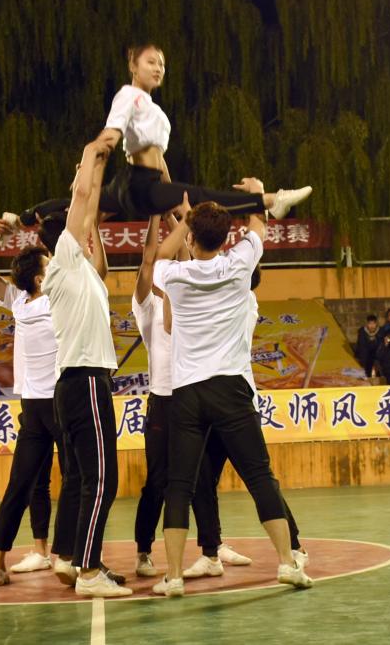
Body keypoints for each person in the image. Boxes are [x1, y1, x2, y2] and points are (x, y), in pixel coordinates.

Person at [152, 185, 312, 597]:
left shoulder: (174, 275)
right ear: (226, 239)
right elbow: (258, 225)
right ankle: (287, 562)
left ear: (191, 238)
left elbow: (160, 255)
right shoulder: (240, 264)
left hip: (187, 392)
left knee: (179, 484)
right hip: (231, 388)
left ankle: (173, 577)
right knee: (259, 476)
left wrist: (184, 217)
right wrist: (258, 195)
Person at [129, 212, 256, 581]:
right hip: (163, 401)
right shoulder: (148, 305)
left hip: (193, 394)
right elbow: (150, 261)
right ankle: (143, 549)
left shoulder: (188, 293)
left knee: (201, 478)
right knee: (158, 480)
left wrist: (185, 219)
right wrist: (164, 216)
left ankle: (212, 547)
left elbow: (187, 260)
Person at [72, 44, 312, 223]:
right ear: (133, 67)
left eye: (161, 64)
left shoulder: (155, 111)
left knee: (69, 208)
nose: (158, 68)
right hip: (136, 184)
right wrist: (88, 164)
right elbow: (109, 136)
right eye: (151, 62)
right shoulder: (128, 95)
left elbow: (159, 160)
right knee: (200, 195)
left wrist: (171, 196)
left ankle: (43, 215)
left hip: (144, 184)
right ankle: (272, 200)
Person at [40, 142, 129, 598]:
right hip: (86, 381)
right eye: (81, 230)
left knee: (80, 478)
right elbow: (81, 203)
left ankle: (71, 556)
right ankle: (90, 572)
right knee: (102, 480)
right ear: (66, 239)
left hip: (77, 383)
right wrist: (92, 155)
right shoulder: (63, 261)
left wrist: (93, 190)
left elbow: (97, 248)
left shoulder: (83, 274)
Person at [0, 218, 64, 586]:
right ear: (41, 279)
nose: (54, 264)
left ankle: (1, 564)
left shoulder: (26, 301)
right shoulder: (48, 300)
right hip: (54, 405)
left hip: (37, 406)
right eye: (49, 262)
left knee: (22, 485)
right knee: (64, 481)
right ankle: (65, 556)